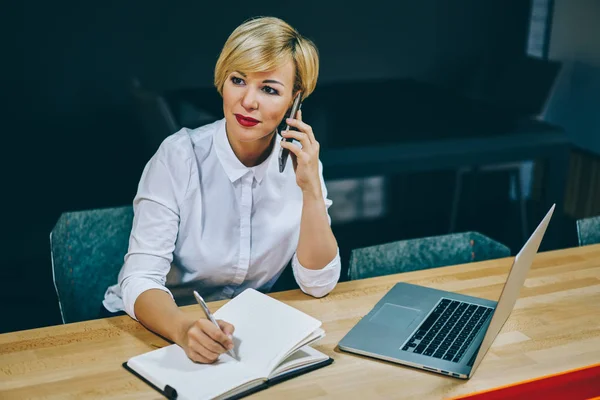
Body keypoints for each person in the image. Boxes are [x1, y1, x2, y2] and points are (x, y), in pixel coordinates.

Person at [102, 16, 341, 364]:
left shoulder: (301, 163)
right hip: (155, 328)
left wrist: (311, 190)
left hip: (237, 336)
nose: (248, 101)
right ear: (222, 81)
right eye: (238, 80)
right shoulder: (179, 156)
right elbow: (138, 279)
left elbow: (318, 283)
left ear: (295, 100)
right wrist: (184, 330)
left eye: (269, 89)